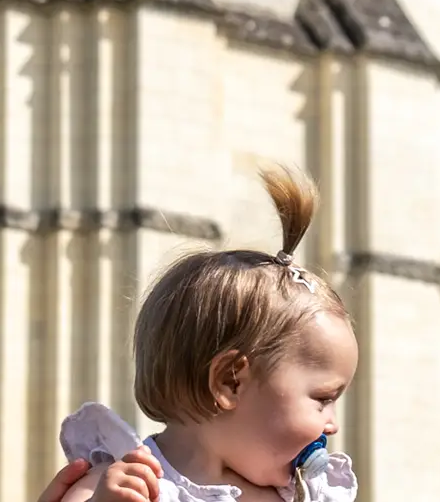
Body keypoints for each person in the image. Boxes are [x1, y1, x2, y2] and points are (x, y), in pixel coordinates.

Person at [52, 165, 360, 502]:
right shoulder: (125, 487)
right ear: (231, 381)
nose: (332, 425)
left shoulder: (304, 495)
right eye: (323, 399)